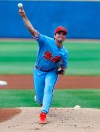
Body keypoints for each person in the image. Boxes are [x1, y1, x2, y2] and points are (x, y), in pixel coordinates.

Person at [18, 7, 68, 124]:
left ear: (65, 37)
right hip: (38, 71)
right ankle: (40, 101)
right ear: (54, 35)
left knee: (49, 88)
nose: (61, 35)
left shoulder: (64, 53)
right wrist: (24, 16)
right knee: (40, 98)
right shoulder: (45, 41)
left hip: (51, 72)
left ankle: (43, 113)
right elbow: (32, 30)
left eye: (63, 34)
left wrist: (61, 70)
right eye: (59, 33)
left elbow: (63, 68)